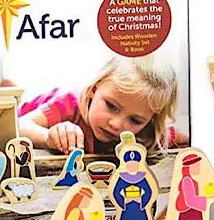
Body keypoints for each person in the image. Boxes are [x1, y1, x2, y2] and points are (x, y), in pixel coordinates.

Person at [18, 56, 180, 162]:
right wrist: (48, 136)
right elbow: (19, 125)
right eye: (111, 106)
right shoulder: (68, 103)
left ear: (151, 120)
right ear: (93, 90)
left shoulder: (149, 132)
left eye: (135, 120)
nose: (116, 124)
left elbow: (182, 137)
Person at [109, 132, 158, 220]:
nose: (132, 166)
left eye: (134, 164)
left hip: (140, 207)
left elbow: (149, 191)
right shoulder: (121, 177)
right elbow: (115, 192)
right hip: (126, 207)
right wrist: (124, 201)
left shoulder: (143, 176)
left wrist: (141, 200)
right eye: (130, 164)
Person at [165, 152, 214, 220]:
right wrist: (206, 199)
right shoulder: (187, 181)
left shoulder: (192, 180)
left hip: (194, 210)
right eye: (195, 166)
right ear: (189, 167)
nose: (198, 168)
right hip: (188, 211)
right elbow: (190, 200)